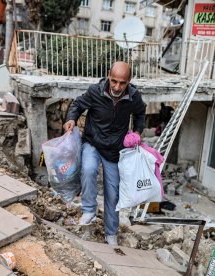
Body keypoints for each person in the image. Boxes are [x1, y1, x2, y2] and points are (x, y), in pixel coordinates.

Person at [63, 61, 147, 245]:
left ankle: (111, 233)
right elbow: (77, 105)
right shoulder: (95, 91)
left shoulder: (134, 97)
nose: (117, 87)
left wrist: (138, 132)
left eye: (122, 83)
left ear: (129, 81)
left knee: (113, 192)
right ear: (109, 76)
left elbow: (141, 113)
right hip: (93, 143)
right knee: (88, 169)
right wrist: (71, 119)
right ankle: (89, 211)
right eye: (114, 81)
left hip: (115, 150)